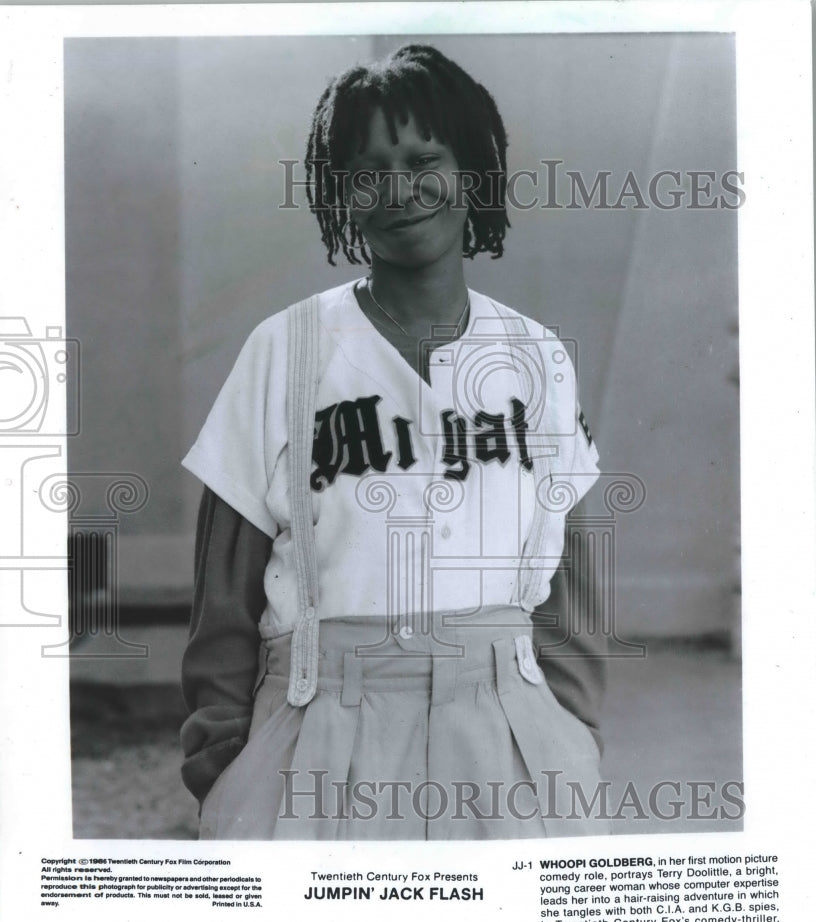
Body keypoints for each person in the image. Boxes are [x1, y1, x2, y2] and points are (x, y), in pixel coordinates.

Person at [180, 43, 608, 839]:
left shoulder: (536, 355)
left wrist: (572, 732)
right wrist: (220, 756)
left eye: (424, 159)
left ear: (472, 170)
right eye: (368, 169)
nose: (399, 189)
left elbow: (571, 574)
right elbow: (224, 586)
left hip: (503, 719)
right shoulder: (287, 349)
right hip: (319, 714)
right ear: (340, 191)